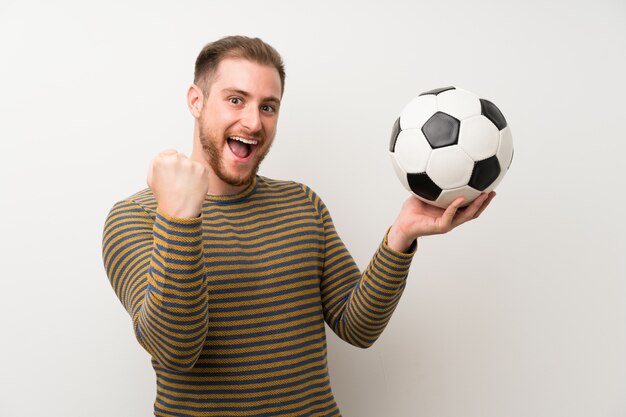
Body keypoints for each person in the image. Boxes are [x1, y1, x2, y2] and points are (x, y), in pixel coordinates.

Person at [102, 35, 495, 417]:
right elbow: (176, 349)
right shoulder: (135, 219)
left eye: (268, 107)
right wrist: (180, 217)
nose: (253, 122)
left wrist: (401, 235)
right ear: (197, 101)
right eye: (236, 99)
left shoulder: (301, 203)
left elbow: (356, 326)